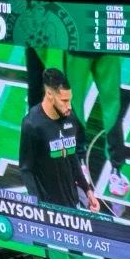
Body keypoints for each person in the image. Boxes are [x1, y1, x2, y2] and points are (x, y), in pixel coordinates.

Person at [19, 68, 98, 211]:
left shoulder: (70, 118)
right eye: (64, 101)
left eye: (70, 100)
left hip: (73, 204)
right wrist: (37, 205)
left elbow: (72, 156)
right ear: (49, 94)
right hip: (48, 208)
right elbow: (26, 169)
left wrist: (87, 190)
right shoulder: (32, 124)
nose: (69, 106)